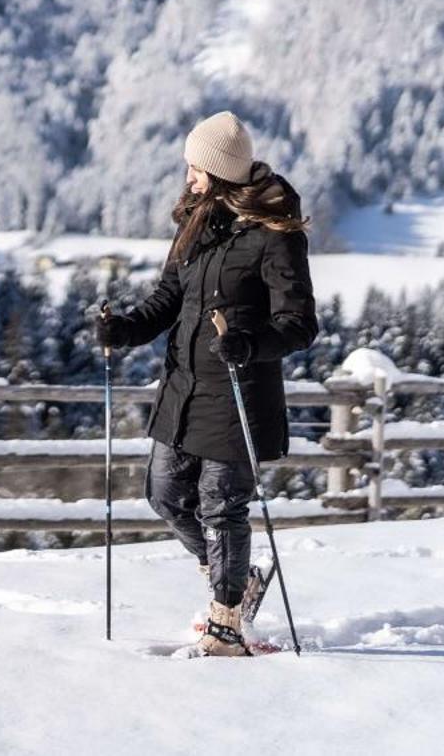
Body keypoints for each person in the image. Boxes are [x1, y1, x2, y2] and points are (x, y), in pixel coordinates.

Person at [97, 110, 317, 655]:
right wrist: (126, 328)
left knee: (222, 505)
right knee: (165, 494)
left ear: (220, 172)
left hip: (239, 392)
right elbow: (170, 298)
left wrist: (248, 344)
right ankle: (236, 581)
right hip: (183, 386)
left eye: (196, 169)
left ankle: (226, 623)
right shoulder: (196, 219)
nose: (189, 177)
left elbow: (299, 324)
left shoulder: (274, 235)